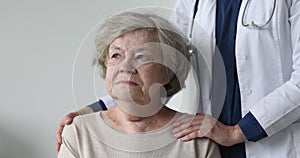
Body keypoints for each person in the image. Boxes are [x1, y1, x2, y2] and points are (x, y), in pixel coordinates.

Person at [57, 0, 300, 157]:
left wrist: (238, 131)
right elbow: (162, 67)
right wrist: (96, 109)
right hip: (208, 139)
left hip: (272, 143)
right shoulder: (193, 3)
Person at [57, 11, 221, 157]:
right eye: (116, 55)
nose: (125, 66)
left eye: (142, 56)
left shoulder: (196, 138)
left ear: (167, 72)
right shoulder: (79, 133)